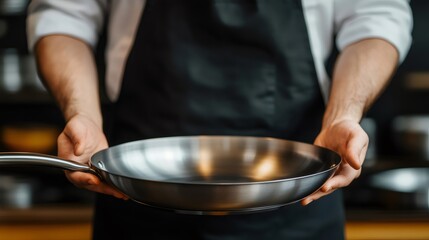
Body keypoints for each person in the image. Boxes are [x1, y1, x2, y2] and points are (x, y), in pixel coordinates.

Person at [27, 0, 412, 239]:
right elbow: (63, 15)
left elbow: (376, 17)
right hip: (138, 196)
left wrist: (344, 114)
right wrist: (82, 115)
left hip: (298, 197)